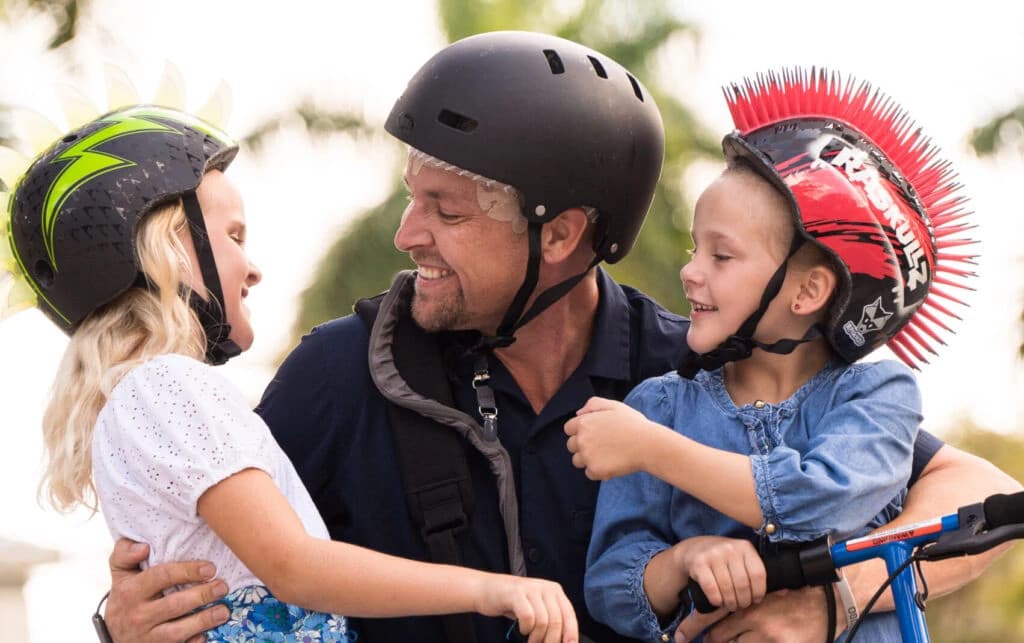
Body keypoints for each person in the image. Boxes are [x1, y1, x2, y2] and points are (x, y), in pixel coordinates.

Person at [99, 34, 1021, 643]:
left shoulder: (694, 373)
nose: (406, 234)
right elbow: (231, 570)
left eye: (445, 210)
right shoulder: (338, 377)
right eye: (412, 197)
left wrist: (831, 600)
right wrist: (120, 623)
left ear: (563, 234)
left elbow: (981, 492)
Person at [1, 103, 579, 643]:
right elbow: (294, 565)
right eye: (233, 237)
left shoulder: (136, 401)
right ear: (167, 250)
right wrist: (493, 588)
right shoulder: (168, 388)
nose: (252, 269)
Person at [569, 68, 977, 642]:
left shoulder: (879, 397)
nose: (690, 271)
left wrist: (653, 451)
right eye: (694, 248)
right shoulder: (658, 406)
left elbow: (819, 500)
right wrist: (684, 559)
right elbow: (612, 582)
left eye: (722, 257)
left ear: (808, 292)